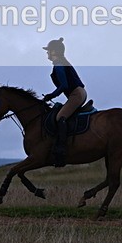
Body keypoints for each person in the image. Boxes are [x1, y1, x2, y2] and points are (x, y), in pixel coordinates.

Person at [41, 37, 87, 167]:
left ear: (54, 52)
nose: (47, 53)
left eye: (48, 50)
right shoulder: (61, 64)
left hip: (76, 94)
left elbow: (64, 86)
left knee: (60, 117)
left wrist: (50, 95)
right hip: (78, 93)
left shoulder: (59, 65)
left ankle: (61, 149)